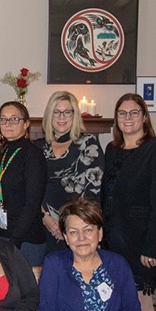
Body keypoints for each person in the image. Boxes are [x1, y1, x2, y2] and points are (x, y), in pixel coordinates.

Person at [102, 93, 156, 311]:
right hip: (114, 241)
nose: (128, 118)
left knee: (141, 303)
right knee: (120, 301)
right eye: (122, 113)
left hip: (142, 242)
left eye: (134, 112)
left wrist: (151, 247)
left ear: (144, 117)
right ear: (116, 119)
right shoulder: (112, 150)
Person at [34, 90, 104, 252]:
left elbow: (93, 190)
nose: (61, 117)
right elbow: (31, 188)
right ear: (49, 115)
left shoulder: (88, 143)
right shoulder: (38, 147)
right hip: (44, 224)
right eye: (56, 112)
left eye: (67, 112)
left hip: (79, 228)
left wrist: (70, 226)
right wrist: (45, 217)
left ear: (75, 115)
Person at [0, 101, 48, 265]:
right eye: (3, 119)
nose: (8, 124)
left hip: (26, 241)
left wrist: (14, 241)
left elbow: (32, 204)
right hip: (1, 235)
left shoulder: (33, 155)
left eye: (14, 119)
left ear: (26, 124)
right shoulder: (3, 152)